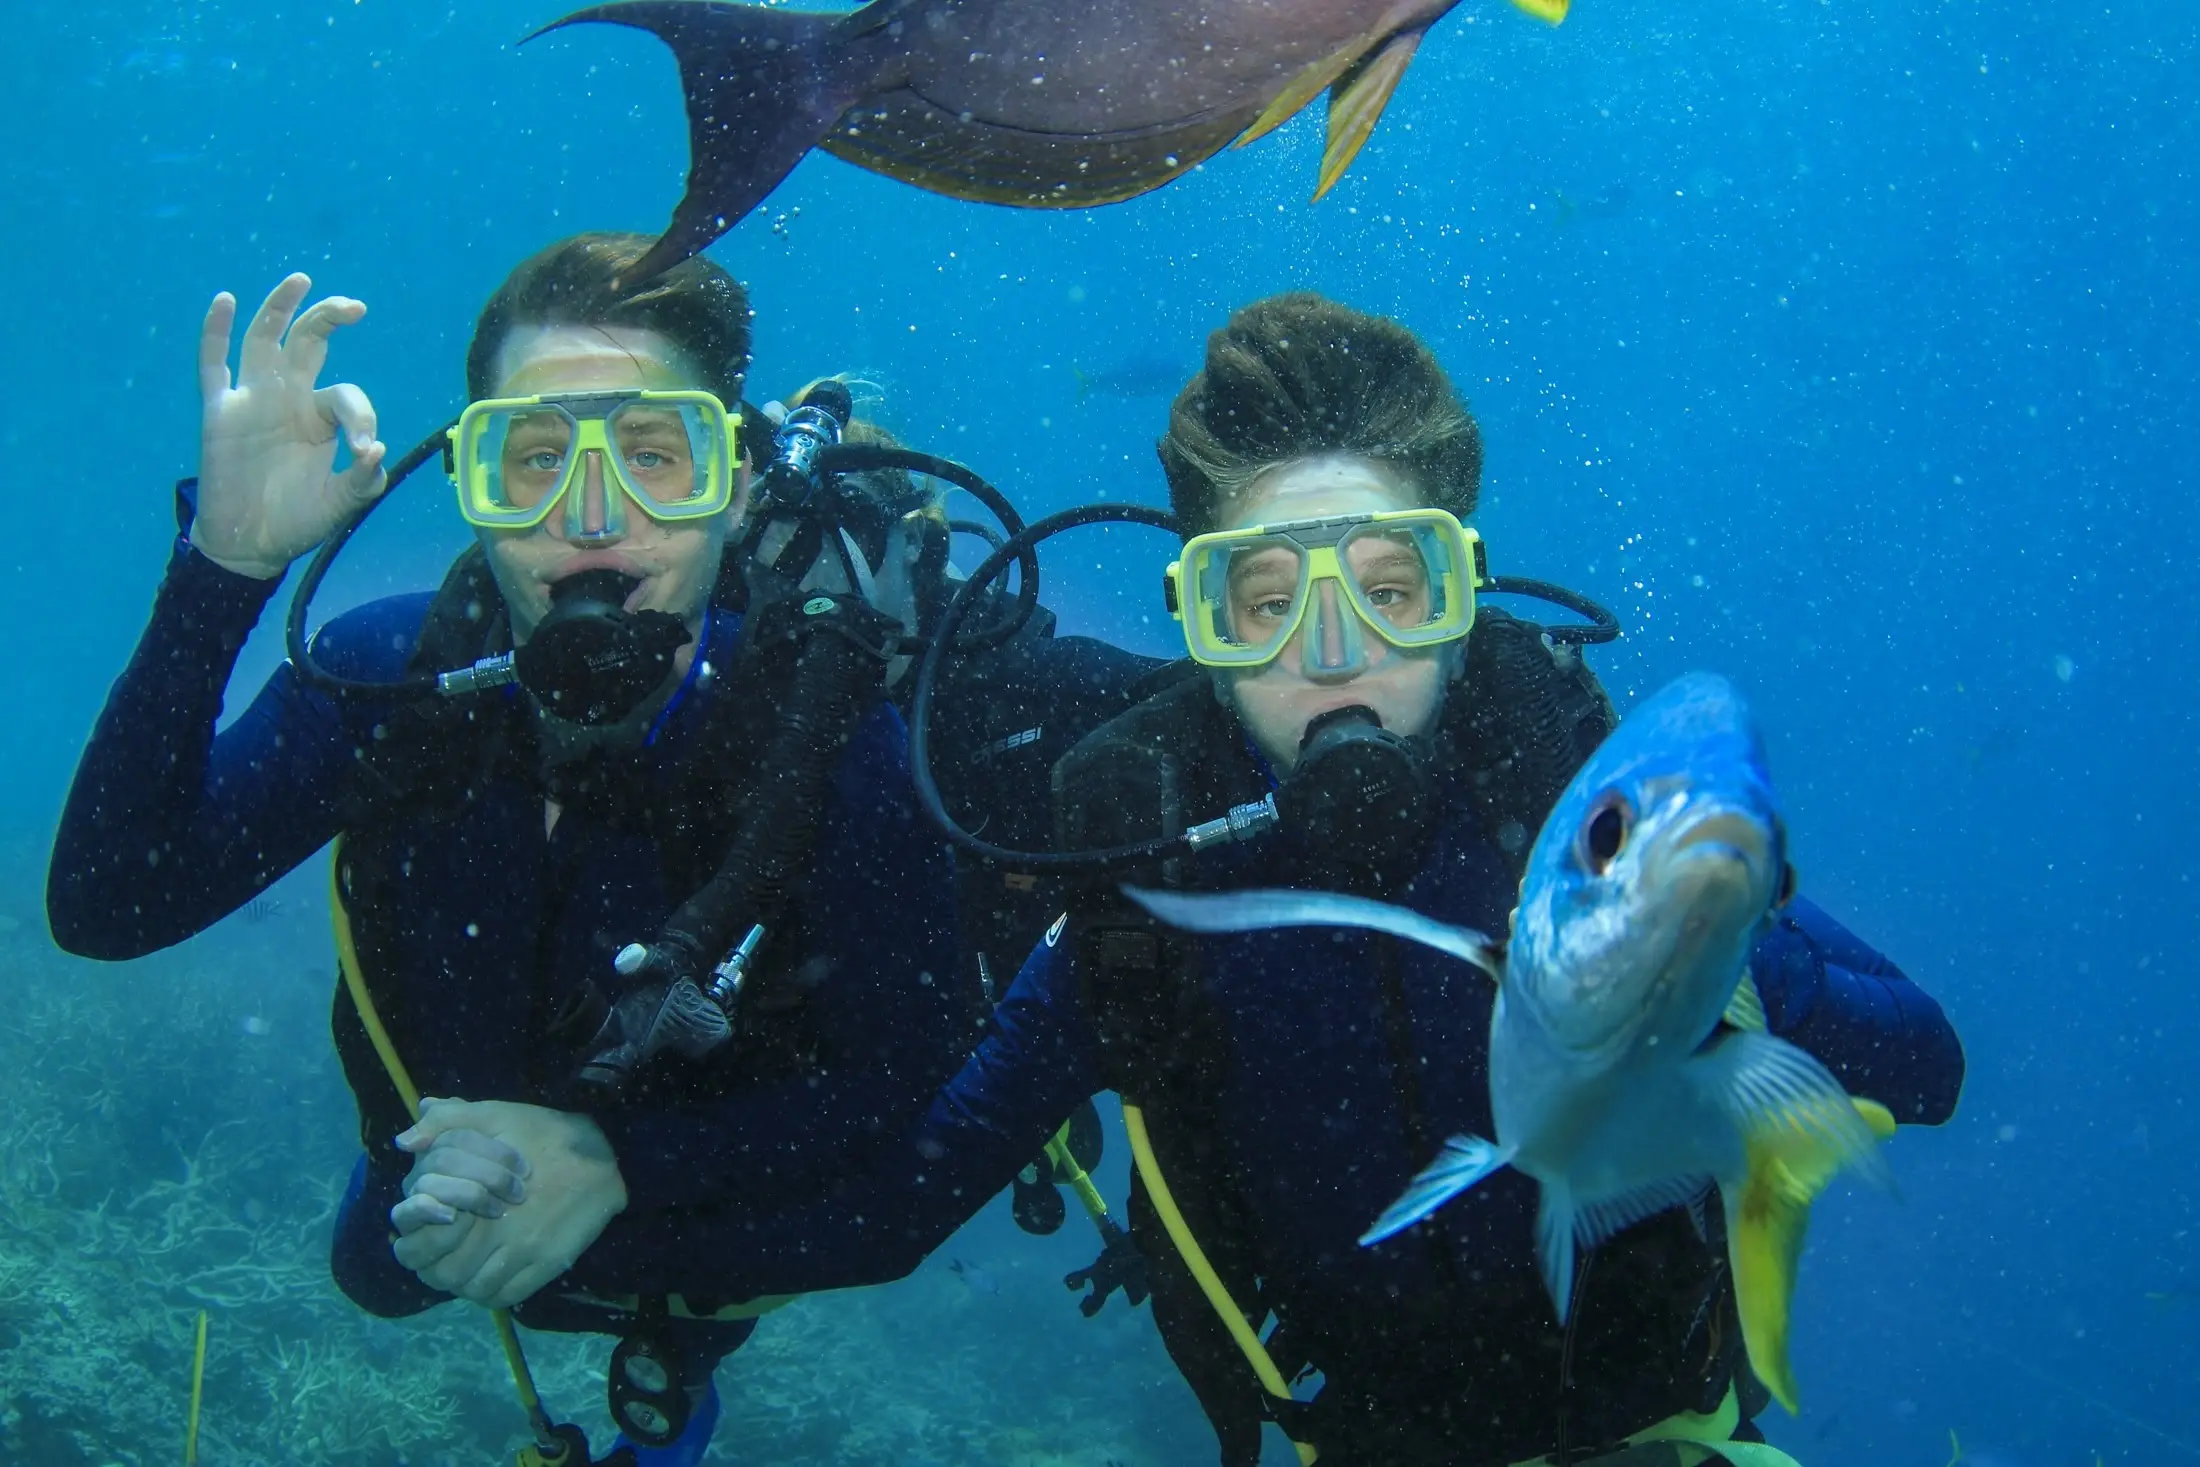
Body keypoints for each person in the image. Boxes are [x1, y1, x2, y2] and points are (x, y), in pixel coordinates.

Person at [571, 293, 1968, 1465]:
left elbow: (1926, 1062)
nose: (1336, 647)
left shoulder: (1584, 813)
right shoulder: (1149, 891)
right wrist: (586, 1197)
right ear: (1204, 622)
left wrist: (1716, 953)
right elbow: (906, 1197)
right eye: (1265, 598)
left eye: (1395, 586)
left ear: (1466, 595)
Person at [45, 233, 966, 1466]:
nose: (589, 518)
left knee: (676, 1311)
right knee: (378, 1271)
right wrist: (226, 568)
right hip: (434, 1164)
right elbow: (107, 906)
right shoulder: (386, 681)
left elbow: (909, 1089)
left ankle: (664, 1359)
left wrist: (619, 1164)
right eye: (531, 461)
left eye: (653, 456)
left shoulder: (827, 745)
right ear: (471, 486)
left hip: (701, 1198)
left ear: (735, 486)